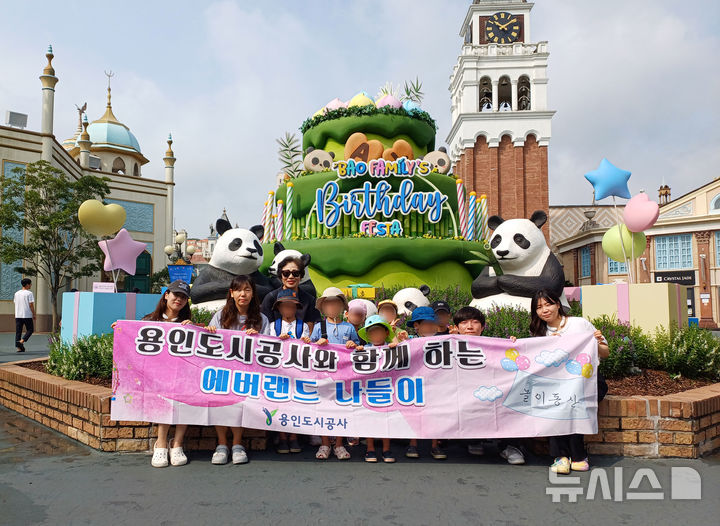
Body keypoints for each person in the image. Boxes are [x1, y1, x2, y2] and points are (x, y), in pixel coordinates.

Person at [514, 289, 609, 474]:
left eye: (548, 304)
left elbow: (605, 353)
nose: (545, 310)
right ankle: (565, 456)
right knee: (557, 404)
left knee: (572, 404)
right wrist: (515, 344)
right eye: (539, 307)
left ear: (558, 304)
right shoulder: (539, 333)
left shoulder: (579, 324)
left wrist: (596, 343)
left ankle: (573, 454)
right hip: (557, 385)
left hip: (587, 381)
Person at [112, 280, 195, 468]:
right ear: (166, 295)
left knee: (186, 404)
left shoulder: (187, 323)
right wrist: (121, 329)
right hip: (159, 378)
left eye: (183, 297)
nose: (179, 300)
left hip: (183, 376)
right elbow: (133, 338)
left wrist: (195, 328)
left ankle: (178, 444)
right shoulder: (149, 321)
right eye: (176, 295)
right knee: (164, 404)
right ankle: (161, 444)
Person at [207, 275, 270, 466]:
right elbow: (211, 340)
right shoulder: (220, 315)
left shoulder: (261, 318)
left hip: (248, 372)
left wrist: (257, 337)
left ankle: (237, 444)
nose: (243, 294)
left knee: (239, 406)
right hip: (223, 371)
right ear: (232, 293)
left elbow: (269, 346)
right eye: (239, 290)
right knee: (220, 405)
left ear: (253, 293)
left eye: (247, 290)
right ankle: (221, 444)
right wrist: (209, 331)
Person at [455, 306, 525, 464]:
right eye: (464, 322)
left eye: (475, 322)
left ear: (483, 327)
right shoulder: (448, 346)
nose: (470, 326)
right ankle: (473, 440)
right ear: (457, 327)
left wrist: (514, 345)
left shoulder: (494, 345)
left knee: (509, 403)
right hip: (466, 394)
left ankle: (509, 446)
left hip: (494, 391)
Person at [310, 287, 359, 460]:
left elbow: (359, 347)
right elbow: (309, 350)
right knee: (323, 408)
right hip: (323, 376)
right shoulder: (318, 327)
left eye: (335, 304)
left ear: (342, 307)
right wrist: (317, 344)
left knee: (342, 408)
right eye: (328, 304)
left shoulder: (349, 327)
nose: (332, 307)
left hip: (344, 376)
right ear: (323, 308)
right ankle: (325, 443)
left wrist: (354, 345)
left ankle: (339, 443)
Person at [268, 288, 307, 454]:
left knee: (295, 404)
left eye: (291, 306)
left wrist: (305, 341)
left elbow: (307, 346)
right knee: (280, 403)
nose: (288, 309)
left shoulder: (302, 326)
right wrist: (278, 341)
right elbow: (268, 345)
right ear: (279, 308)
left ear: (296, 307)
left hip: (297, 370)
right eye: (285, 306)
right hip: (279, 371)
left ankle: (293, 436)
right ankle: (282, 436)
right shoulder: (273, 326)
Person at [405, 306, 446, 460]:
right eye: (427, 324)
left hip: (436, 383)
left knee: (436, 414)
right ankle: (413, 443)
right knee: (413, 413)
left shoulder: (445, 341)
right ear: (416, 326)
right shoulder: (409, 341)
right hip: (414, 383)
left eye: (433, 323)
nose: (431, 327)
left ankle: (435, 445)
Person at [356, 315, 397, 463]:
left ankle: (386, 449)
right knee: (370, 420)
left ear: (386, 333)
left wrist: (395, 343)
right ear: (368, 335)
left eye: (379, 331)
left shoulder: (392, 346)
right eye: (372, 332)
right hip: (369, 390)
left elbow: (407, 350)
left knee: (386, 421)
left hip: (388, 389)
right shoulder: (365, 348)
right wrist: (358, 350)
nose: (376, 335)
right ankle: (370, 448)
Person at [261, 255, 321, 331]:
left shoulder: (309, 300)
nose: (291, 277)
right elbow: (265, 325)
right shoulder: (271, 298)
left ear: (301, 276)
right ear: (280, 275)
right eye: (286, 273)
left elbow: (310, 328)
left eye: (295, 273)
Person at [14, 278, 35, 353]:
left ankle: (19, 348)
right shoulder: (29, 293)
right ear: (27, 285)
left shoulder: (16, 293)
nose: (31, 285)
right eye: (30, 284)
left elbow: (15, 303)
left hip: (18, 315)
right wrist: (34, 314)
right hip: (27, 315)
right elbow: (31, 305)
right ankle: (22, 341)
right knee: (30, 330)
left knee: (18, 331)